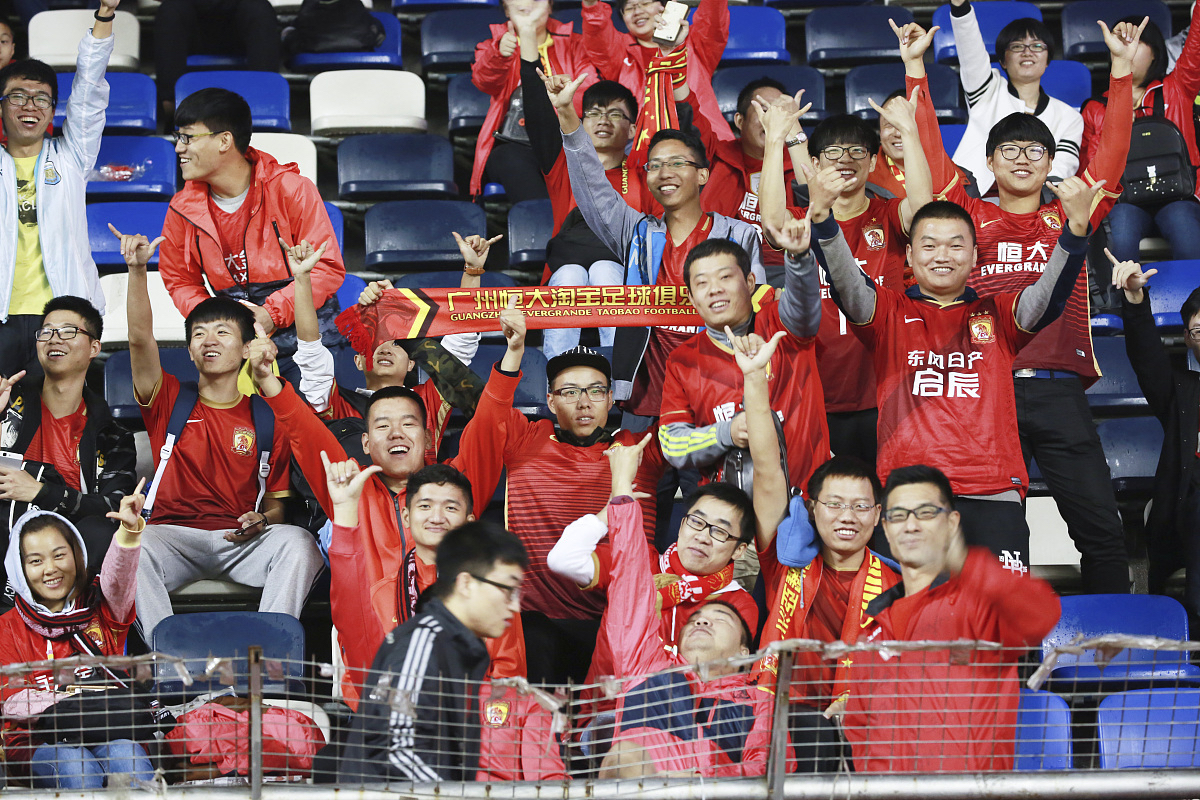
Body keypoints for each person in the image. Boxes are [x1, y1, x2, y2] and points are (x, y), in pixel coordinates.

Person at [904, 17, 1137, 592]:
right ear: (988, 162)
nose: (1023, 158)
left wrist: (1122, 71)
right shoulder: (967, 216)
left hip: (1059, 391)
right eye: (1009, 149)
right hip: (986, 389)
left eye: (1036, 149)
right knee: (995, 537)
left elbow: (1112, 156)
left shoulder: (1072, 214)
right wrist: (914, 70)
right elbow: (930, 153)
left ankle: (1111, 639)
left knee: (1103, 534)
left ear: (1052, 161)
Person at [789, 189, 1094, 573]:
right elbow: (847, 283)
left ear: (975, 256)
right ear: (910, 255)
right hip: (908, 498)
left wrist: (1075, 232)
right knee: (913, 612)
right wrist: (823, 221)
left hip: (992, 495)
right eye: (929, 245)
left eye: (956, 245)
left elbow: (1049, 298)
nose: (942, 255)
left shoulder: (1000, 314)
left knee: (998, 613)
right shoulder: (886, 312)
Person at [249, 295, 521, 705]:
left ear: (427, 437)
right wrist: (268, 381)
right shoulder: (349, 493)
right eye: (382, 426)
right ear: (365, 443)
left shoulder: (453, 490)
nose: (396, 433)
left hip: (460, 684)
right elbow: (304, 431)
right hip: (375, 678)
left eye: (409, 423)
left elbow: (489, 424)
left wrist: (513, 355)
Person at [111, 227, 324, 641]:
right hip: (173, 537)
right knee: (132, 547)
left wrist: (262, 520)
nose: (209, 340)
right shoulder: (168, 399)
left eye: (222, 332)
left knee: (299, 543)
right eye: (198, 334)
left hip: (240, 542)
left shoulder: (268, 415)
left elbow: (277, 507)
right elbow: (139, 340)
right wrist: (137, 271)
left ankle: (270, 655)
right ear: (190, 352)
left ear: (246, 348)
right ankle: (167, 662)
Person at [548, 69, 765, 419]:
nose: (665, 172)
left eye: (677, 163)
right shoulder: (638, 233)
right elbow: (594, 190)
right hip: (645, 397)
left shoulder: (738, 236)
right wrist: (567, 116)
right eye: (655, 165)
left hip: (720, 389)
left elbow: (760, 315)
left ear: (703, 175)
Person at [735, 321, 900, 774]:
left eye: (860, 507)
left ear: (878, 516)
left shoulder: (898, 587)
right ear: (811, 508)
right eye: (835, 505)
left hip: (862, 731)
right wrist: (754, 379)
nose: (847, 516)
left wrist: (860, 702)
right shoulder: (783, 560)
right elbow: (768, 467)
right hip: (775, 720)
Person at [841, 464, 1061, 772]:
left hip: (972, 790)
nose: (911, 525)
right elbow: (858, 727)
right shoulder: (872, 631)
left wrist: (965, 563)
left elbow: (1041, 613)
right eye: (899, 515)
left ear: (952, 522)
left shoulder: (978, 606)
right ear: (886, 528)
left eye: (926, 513)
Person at [478, 335, 667, 685]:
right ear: (550, 400)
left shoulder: (639, 449)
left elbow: (691, 409)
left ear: (610, 398)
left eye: (595, 390)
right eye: (569, 392)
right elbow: (482, 401)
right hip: (539, 624)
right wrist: (513, 350)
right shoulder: (524, 439)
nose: (583, 402)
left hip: (621, 623)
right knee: (530, 639)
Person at [759, 92, 929, 467]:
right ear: (814, 163)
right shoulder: (801, 221)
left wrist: (910, 132)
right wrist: (774, 141)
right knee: (823, 495)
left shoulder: (889, 215)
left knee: (888, 494)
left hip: (886, 389)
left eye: (857, 151)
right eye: (833, 152)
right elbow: (771, 222)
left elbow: (922, 207)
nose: (846, 160)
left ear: (873, 161)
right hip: (815, 390)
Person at [594, 434, 776, 778]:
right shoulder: (646, 667)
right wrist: (621, 489)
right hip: (639, 781)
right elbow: (629, 577)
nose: (702, 621)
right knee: (630, 750)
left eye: (720, 616)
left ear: (744, 650)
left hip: (716, 789)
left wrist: (702, 780)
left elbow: (767, 767)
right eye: (696, 619)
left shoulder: (757, 702)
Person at [157, 87, 346, 387]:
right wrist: (219, 323)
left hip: (311, 341)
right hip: (239, 348)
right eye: (178, 137)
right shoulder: (181, 209)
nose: (179, 148)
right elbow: (180, 280)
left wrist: (270, 313)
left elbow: (326, 267)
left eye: (188, 137)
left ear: (224, 140)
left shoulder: (291, 189)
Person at [339, 520, 527, 783]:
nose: (515, 606)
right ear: (466, 584)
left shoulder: (457, 647)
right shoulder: (423, 643)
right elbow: (396, 753)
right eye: (507, 590)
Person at [548, 471, 759, 697]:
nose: (702, 537)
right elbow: (563, 559)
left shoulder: (738, 604)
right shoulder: (639, 561)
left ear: (739, 550)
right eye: (696, 522)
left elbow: (716, 676)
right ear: (681, 526)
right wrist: (611, 510)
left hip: (683, 714)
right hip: (607, 711)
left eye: (719, 531)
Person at [0, 486, 152, 789]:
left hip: (106, 730)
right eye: (36, 561)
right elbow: (12, 703)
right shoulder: (7, 627)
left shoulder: (101, 608)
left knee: (129, 755)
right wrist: (79, 703)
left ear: (77, 556)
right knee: (75, 764)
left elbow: (119, 581)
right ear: (19, 568)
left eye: (60, 555)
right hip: (37, 740)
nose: (51, 569)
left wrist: (128, 533)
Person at [322, 458, 525, 683]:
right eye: (425, 506)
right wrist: (345, 510)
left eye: (450, 507)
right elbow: (359, 675)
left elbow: (509, 680)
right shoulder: (382, 594)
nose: (436, 518)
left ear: (469, 522)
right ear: (406, 517)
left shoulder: (494, 594)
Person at [288, 236, 485, 465]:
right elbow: (310, 348)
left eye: (397, 343)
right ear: (358, 361)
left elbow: (460, 342)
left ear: (412, 362)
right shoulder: (336, 404)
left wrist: (473, 271)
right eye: (375, 342)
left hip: (421, 489)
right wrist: (302, 278)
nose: (385, 348)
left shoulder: (429, 400)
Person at [0, 2, 119, 379]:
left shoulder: (71, 158)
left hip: (62, 320)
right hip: (1, 322)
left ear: (53, 111)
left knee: (59, 415)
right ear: (1, 107)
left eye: (41, 98)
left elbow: (89, 91)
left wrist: (105, 14)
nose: (29, 105)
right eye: (17, 96)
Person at [657, 235, 825, 494]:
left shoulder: (784, 325)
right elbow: (672, 444)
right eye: (702, 283)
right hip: (728, 512)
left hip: (804, 499)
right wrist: (727, 433)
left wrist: (799, 256)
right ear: (691, 297)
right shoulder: (682, 360)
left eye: (725, 277)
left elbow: (804, 302)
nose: (714, 289)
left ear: (749, 282)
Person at [0, 297, 137, 607]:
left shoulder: (111, 433)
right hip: (6, 528)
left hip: (69, 545)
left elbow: (114, 505)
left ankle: (64, 620)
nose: (54, 339)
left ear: (94, 347)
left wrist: (41, 492)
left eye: (67, 331)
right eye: (46, 331)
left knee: (102, 531)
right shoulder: (9, 402)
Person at [1115, 258, 1200, 616]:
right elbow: (1147, 357)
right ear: (1188, 340)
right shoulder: (1182, 390)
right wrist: (1136, 300)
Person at [1082, 9, 1200, 262]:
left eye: (1138, 40)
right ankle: (1121, 291)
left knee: (1185, 228)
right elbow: (1089, 171)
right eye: (1123, 41)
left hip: (1179, 196)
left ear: (1156, 51)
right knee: (1120, 234)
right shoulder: (1095, 107)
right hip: (1124, 202)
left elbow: (1196, 48)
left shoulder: (1177, 88)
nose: (1130, 46)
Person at [948, 0, 1082, 194]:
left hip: (1036, 201)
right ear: (1003, 60)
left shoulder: (1069, 117)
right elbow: (970, 51)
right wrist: (961, 8)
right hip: (972, 197)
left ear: (1048, 59)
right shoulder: (987, 90)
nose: (1027, 52)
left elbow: (1061, 169)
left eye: (1037, 46)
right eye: (1017, 47)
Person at [469, 0, 595, 200]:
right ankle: (541, 216)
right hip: (514, 144)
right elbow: (484, 82)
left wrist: (562, 92)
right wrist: (499, 55)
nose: (527, 5)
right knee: (508, 159)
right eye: (519, 5)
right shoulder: (494, 46)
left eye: (535, 1)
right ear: (507, 11)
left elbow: (589, 92)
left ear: (550, 6)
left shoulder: (575, 43)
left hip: (564, 141)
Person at [696, 78, 808, 284]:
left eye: (779, 111)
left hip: (785, 268)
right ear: (740, 121)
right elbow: (688, 113)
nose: (772, 118)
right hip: (718, 264)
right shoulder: (714, 155)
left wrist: (793, 129)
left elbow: (817, 205)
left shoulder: (800, 161)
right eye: (764, 110)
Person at [579, 0, 729, 142]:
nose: (637, 11)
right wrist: (591, 5)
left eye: (645, 3)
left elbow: (713, 17)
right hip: (645, 143)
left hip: (703, 137)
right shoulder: (619, 51)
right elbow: (597, 33)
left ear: (664, 6)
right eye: (629, 8)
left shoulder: (695, 43)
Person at [153, 0, 279, 127]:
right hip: (191, 25)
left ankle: (265, 105)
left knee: (258, 9)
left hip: (238, 25)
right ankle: (171, 103)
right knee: (171, 9)